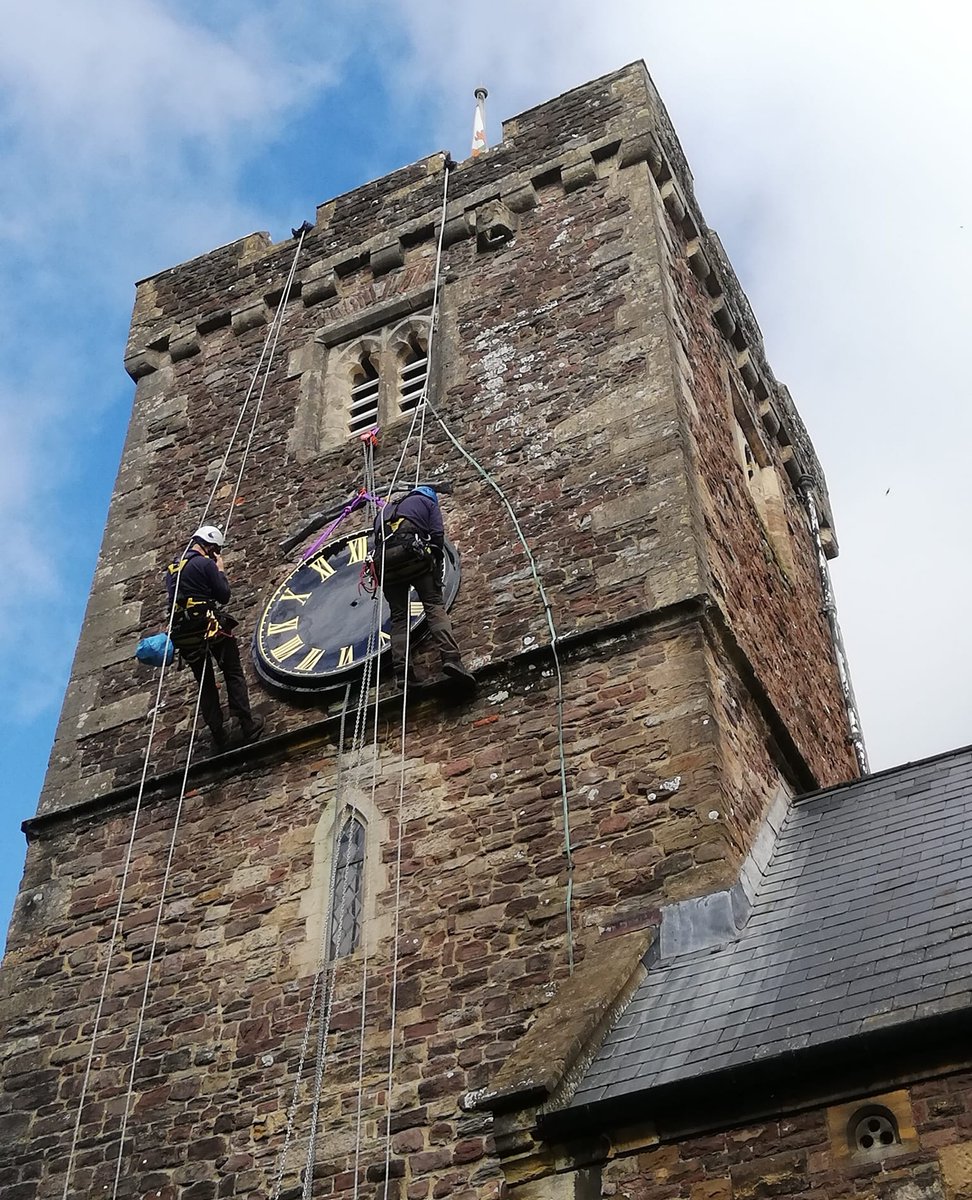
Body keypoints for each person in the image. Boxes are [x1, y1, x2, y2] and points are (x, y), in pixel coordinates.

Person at [165, 525, 265, 751]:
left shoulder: (172, 569)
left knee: (205, 682)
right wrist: (219, 570)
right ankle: (246, 723)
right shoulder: (205, 564)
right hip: (208, 625)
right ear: (209, 546)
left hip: (184, 633)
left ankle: (217, 732)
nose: (214, 554)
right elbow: (224, 595)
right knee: (232, 671)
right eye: (214, 550)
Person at [375, 483, 475, 688]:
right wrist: (436, 557)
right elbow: (437, 534)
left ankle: (402, 672)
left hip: (385, 565)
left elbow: (376, 541)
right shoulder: (427, 502)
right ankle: (451, 658)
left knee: (399, 618)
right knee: (433, 605)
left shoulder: (382, 512)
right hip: (414, 558)